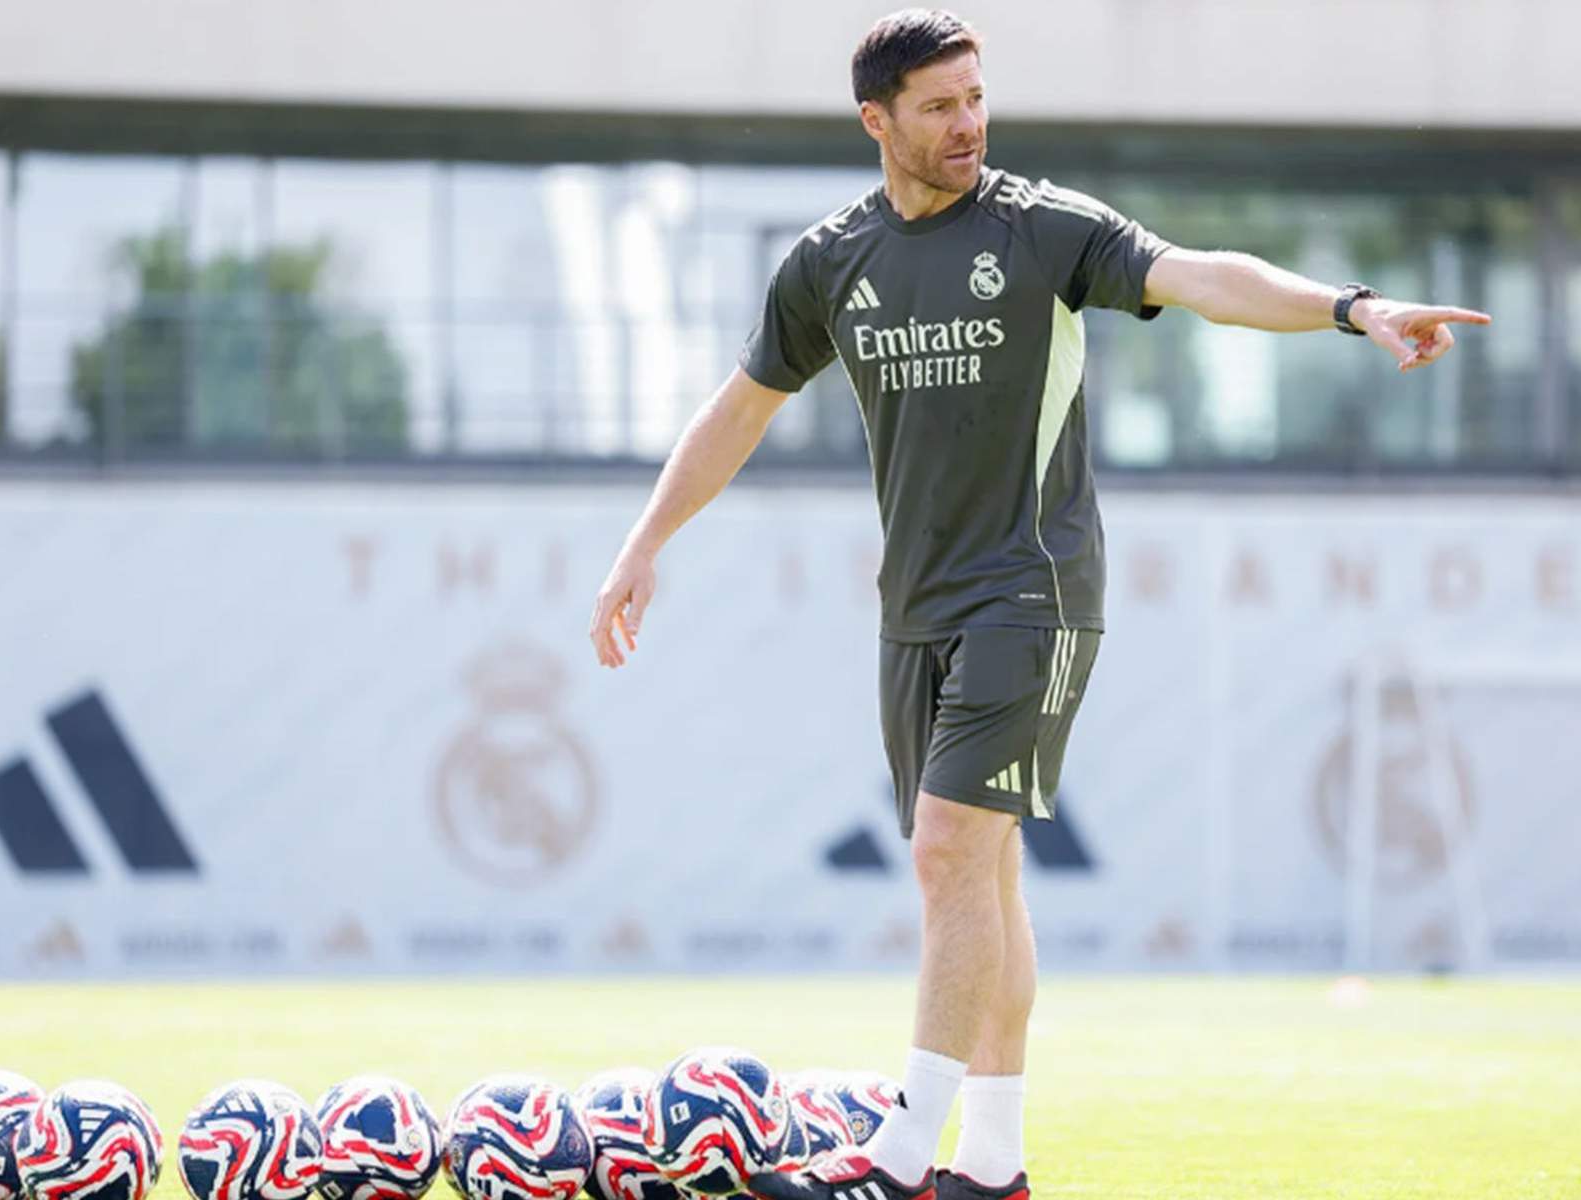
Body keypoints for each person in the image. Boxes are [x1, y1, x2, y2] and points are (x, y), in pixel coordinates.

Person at [589, 10, 1492, 1200]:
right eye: (937, 106)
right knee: (984, 881)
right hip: (911, 607)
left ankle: (901, 1152)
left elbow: (1202, 276)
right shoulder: (826, 263)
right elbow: (741, 406)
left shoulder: (1037, 226)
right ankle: (995, 1164)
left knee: (947, 848)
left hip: (1033, 588)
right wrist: (648, 537)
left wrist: (1350, 307)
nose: (966, 123)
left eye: (975, 97)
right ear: (877, 121)